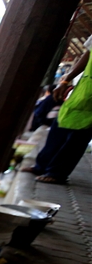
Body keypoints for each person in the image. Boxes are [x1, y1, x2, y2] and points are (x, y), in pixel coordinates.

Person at [28, 37, 92, 184]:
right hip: (83, 90)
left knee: (78, 137)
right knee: (60, 125)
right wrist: (65, 79)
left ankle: (57, 173)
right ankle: (41, 166)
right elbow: (88, 53)